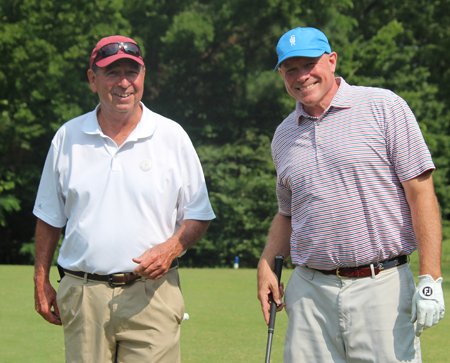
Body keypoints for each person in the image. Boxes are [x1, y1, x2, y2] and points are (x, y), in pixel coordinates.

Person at [257, 27, 445, 363]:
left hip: (380, 285)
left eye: (309, 64)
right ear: (282, 75)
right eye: (290, 69)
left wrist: (430, 277)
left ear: (331, 61)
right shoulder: (283, 136)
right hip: (310, 292)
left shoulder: (383, 106)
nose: (301, 77)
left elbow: (420, 193)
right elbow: (287, 213)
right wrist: (266, 262)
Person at [33, 35, 215, 363]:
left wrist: (173, 247)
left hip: (153, 295)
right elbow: (49, 216)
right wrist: (40, 278)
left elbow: (198, 213)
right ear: (93, 79)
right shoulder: (67, 137)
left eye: (132, 72)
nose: (124, 82)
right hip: (83, 294)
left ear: (143, 76)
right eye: (111, 72)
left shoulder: (172, 136)